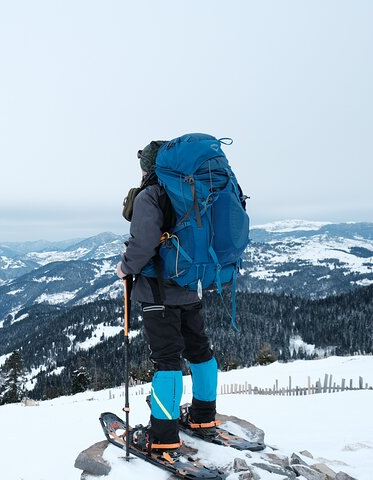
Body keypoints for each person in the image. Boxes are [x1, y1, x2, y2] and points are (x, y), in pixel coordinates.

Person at [116, 140, 219, 456]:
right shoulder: (196, 193)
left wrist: (125, 268)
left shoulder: (152, 196)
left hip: (159, 291)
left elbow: (143, 243)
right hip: (191, 286)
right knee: (199, 349)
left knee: (167, 360)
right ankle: (203, 417)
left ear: (150, 167)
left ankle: (162, 435)